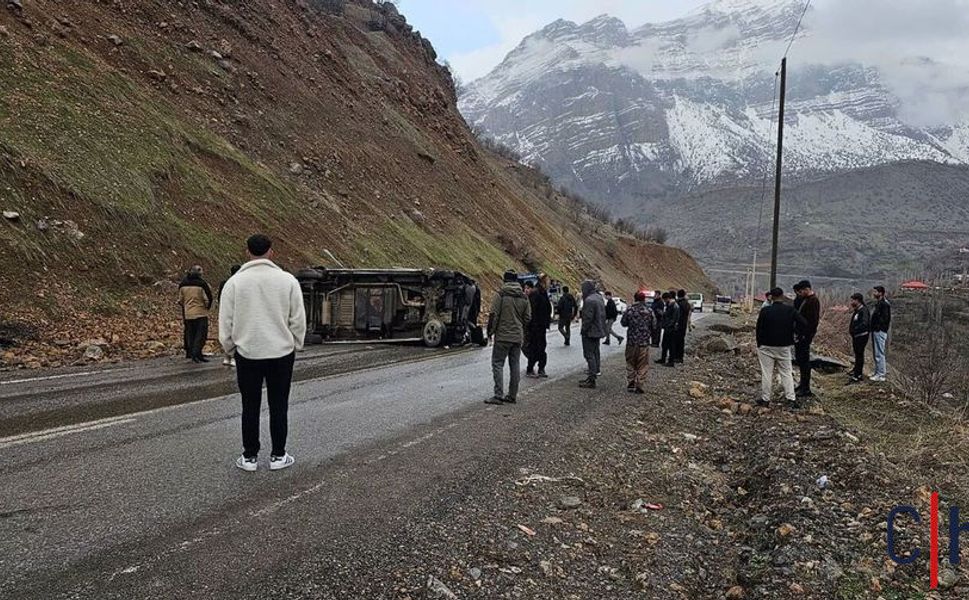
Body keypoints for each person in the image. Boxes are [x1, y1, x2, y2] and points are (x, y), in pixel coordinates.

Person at [219, 234, 306, 472]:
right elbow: (297, 318)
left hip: (248, 352)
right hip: (281, 352)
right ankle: (278, 455)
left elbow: (226, 321)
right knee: (279, 404)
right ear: (271, 252)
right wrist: (296, 343)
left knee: (250, 405)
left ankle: (249, 457)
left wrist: (229, 348)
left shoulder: (235, 283)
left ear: (247, 252)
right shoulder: (287, 281)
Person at [755, 288, 808, 407]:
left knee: (767, 373)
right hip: (784, 346)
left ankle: (765, 399)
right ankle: (791, 399)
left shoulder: (765, 311)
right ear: (782, 296)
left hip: (766, 346)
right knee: (786, 372)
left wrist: (759, 343)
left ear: (771, 297)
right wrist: (797, 335)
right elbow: (804, 323)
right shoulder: (790, 310)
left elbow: (759, 328)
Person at [486, 270, 531, 405]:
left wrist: (490, 333)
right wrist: (519, 327)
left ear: (505, 280)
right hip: (517, 337)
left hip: (502, 337)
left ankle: (498, 395)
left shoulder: (501, 295)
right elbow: (528, 317)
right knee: (515, 364)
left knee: (498, 364)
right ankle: (512, 395)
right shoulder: (524, 297)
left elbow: (494, 316)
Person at [621, 290, 656, 394]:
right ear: (644, 299)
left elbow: (623, 323)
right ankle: (640, 384)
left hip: (631, 342)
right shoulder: (649, 311)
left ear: (635, 298)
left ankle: (631, 382)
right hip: (644, 343)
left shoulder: (630, 310)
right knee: (643, 364)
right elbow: (654, 325)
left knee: (630, 362)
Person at [178, 265, 213, 363]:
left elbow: (180, 300)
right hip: (200, 312)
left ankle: (190, 352)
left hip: (188, 313)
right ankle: (197, 353)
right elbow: (207, 299)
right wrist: (207, 307)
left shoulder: (183, 284)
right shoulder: (202, 284)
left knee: (190, 333)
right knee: (201, 335)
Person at [792, 280, 821, 398]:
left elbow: (813, 322)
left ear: (807, 289)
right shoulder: (806, 300)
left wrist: (805, 335)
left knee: (804, 361)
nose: (800, 293)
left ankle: (806, 387)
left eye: (802, 290)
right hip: (801, 335)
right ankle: (802, 384)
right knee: (800, 360)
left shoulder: (813, 301)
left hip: (805, 336)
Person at [578, 280, 606, 388]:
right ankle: (593, 374)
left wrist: (583, 330)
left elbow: (587, 319)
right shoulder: (599, 298)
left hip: (590, 332)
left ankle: (591, 379)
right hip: (598, 331)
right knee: (595, 353)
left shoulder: (589, 300)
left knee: (589, 355)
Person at [526, 279, 552, 378]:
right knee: (535, 348)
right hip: (535, 327)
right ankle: (531, 368)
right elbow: (532, 311)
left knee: (541, 347)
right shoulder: (536, 294)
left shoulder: (542, 293)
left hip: (541, 326)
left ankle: (541, 368)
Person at [218, 264, 242, 367]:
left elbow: (220, 296)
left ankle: (227, 356)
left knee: (227, 332)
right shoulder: (240, 283)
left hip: (226, 310)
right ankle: (233, 357)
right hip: (238, 311)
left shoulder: (225, 283)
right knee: (237, 334)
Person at [870, 285, 892, 382]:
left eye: (875, 292)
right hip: (876, 330)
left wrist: (879, 328)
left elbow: (885, 319)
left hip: (880, 331)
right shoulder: (879, 303)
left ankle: (881, 374)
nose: (874, 293)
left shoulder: (885, 304)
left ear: (881, 293)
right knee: (876, 352)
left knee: (880, 353)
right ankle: (877, 372)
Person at [848, 292, 871, 383]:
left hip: (861, 336)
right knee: (857, 354)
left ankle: (858, 374)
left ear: (858, 301)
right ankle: (856, 370)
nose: (851, 302)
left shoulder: (863, 310)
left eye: (853, 300)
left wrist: (856, 330)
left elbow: (864, 323)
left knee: (859, 354)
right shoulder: (857, 310)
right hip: (856, 336)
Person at [656, 292, 680, 367]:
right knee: (665, 344)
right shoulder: (671, 305)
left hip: (671, 329)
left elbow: (673, 318)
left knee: (670, 345)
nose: (664, 301)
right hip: (669, 328)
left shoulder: (673, 306)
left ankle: (670, 361)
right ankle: (663, 359)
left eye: (665, 300)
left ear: (667, 298)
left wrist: (667, 325)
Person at [674, 289, 692, 363]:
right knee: (681, 341)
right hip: (683, 325)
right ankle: (680, 357)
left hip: (678, 325)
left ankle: (676, 356)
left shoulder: (678, 303)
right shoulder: (687, 304)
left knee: (676, 341)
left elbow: (677, 315)